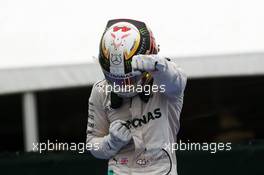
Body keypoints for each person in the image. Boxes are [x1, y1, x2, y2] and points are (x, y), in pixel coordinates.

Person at [86, 19, 187, 175]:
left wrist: (159, 65)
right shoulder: (100, 90)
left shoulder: (165, 80)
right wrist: (111, 142)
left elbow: (177, 82)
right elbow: (92, 144)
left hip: (160, 170)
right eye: (115, 79)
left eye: (129, 78)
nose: (123, 86)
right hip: (119, 170)